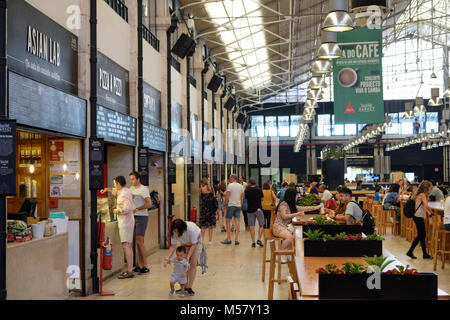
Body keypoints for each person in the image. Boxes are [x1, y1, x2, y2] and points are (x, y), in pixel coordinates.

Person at [101, 176, 135, 279]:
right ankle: (130, 269)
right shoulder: (125, 190)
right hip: (127, 222)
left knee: (126, 245)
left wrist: (118, 211)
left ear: (119, 184)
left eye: (115, 184)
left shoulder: (124, 193)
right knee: (127, 245)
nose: (114, 186)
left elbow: (128, 208)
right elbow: (116, 191)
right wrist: (107, 189)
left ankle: (129, 270)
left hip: (126, 222)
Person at [272, 189, 321, 260]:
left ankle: (288, 252)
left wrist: (316, 207)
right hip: (278, 227)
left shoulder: (291, 205)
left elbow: (304, 208)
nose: (298, 197)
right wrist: (297, 214)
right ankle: (281, 253)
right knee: (290, 237)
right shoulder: (283, 205)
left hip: (286, 227)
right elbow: (284, 216)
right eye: (296, 195)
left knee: (296, 236)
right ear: (292, 196)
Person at [165, 219, 202, 296]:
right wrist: (167, 258)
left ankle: (189, 287)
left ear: (183, 230)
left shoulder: (191, 229)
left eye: (178, 231)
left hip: (196, 242)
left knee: (193, 264)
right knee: (184, 264)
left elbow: (194, 244)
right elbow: (173, 246)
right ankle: (184, 286)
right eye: (175, 231)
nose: (176, 233)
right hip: (185, 243)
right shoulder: (174, 232)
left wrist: (188, 256)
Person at [129, 171, 152, 274]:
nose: (132, 181)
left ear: (138, 179)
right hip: (132, 217)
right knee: (137, 242)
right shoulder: (131, 189)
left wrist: (137, 209)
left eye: (133, 179)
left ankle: (145, 265)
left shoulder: (144, 189)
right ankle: (140, 264)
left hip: (142, 217)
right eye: (130, 179)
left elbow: (149, 204)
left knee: (139, 240)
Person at [406, 180, 433, 259]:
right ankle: (410, 251)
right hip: (418, 216)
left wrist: (429, 213)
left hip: (416, 216)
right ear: (426, 187)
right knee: (421, 235)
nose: (430, 188)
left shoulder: (417, 194)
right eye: (429, 187)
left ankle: (424, 254)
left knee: (422, 235)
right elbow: (427, 206)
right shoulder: (422, 195)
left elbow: (424, 206)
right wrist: (432, 214)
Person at [221, 175, 244, 245]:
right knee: (237, 222)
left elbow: (227, 196)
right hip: (238, 205)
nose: (229, 179)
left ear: (233, 178)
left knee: (228, 221)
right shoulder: (241, 186)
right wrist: (241, 206)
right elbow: (242, 197)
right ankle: (236, 240)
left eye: (230, 178)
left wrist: (224, 204)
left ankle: (229, 239)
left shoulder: (230, 185)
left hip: (231, 205)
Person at [245, 177, 265, 248]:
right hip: (258, 209)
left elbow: (246, 198)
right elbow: (262, 199)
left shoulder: (247, 190)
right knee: (261, 225)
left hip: (250, 210)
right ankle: (259, 239)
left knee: (251, 226)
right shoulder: (259, 190)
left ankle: (253, 242)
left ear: (249, 183)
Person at [199, 178, 217, 245]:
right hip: (211, 209)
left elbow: (200, 197)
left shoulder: (201, 189)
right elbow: (214, 197)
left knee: (203, 226)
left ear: (202, 183)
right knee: (210, 226)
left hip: (204, 209)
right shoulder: (211, 189)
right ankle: (210, 240)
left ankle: (202, 240)